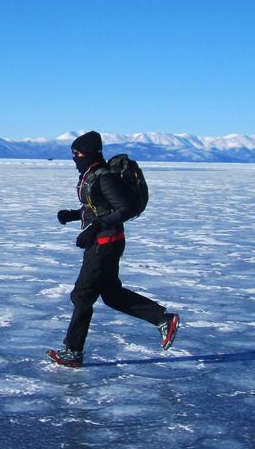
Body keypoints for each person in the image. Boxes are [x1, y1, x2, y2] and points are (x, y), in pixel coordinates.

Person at [47, 131, 180, 368]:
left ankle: (73, 352)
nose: (74, 158)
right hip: (103, 242)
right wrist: (74, 215)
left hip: (105, 244)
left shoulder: (105, 177)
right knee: (110, 294)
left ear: (89, 153)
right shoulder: (92, 175)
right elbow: (99, 207)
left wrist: (95, 227)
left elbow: (126, 208)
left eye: (77, 153)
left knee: (82, 295)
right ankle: (162, 318)